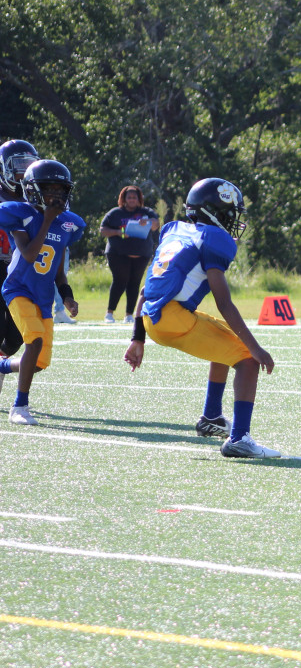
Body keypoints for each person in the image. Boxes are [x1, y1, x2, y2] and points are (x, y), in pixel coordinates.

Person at [123, 178, 279, 459]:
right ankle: (240, 439)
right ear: (215, 212)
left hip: (152, 317)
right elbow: (224, 303)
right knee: (247, 359)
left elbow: (146, 290)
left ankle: (211, 418)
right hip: (172, 317)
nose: (233, 222)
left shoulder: (174, 231)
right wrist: (256, 348)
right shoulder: (213, 238)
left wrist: (138, 337)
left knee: (224, 339)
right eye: (230, 214)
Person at [0, 160, 84, 425]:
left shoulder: (68, 224)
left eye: (61, 190)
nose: (56, 195)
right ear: (33, 190)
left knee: (39, 362)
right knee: (33, 341)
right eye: (49, 189)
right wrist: (46, 220)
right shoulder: (21, 215)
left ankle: (1, 366)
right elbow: (29, 254)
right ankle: (19, 407)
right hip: (18, 289)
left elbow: (57, 268)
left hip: (44, 296)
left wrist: (67, 295)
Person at [0, 140, 38, 388]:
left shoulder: (33, 195)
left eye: (29, 164)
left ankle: (1, 363)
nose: (24, 170)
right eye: (19, 165)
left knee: (16, 335)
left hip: (18, 268)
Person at [99, 184, 159, 324]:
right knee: (120, 280)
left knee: (134, 283)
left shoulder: (147, 212)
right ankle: (110, 313)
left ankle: (129, 314)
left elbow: (156, 224)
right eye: (129, 197)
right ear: (124, 199)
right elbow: (103, 230)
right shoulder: (115, 213)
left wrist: (148, 222)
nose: (132, 200)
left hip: (141, 254)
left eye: (134, 197)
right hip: (118, 254)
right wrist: (119, 233)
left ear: (139, 199)